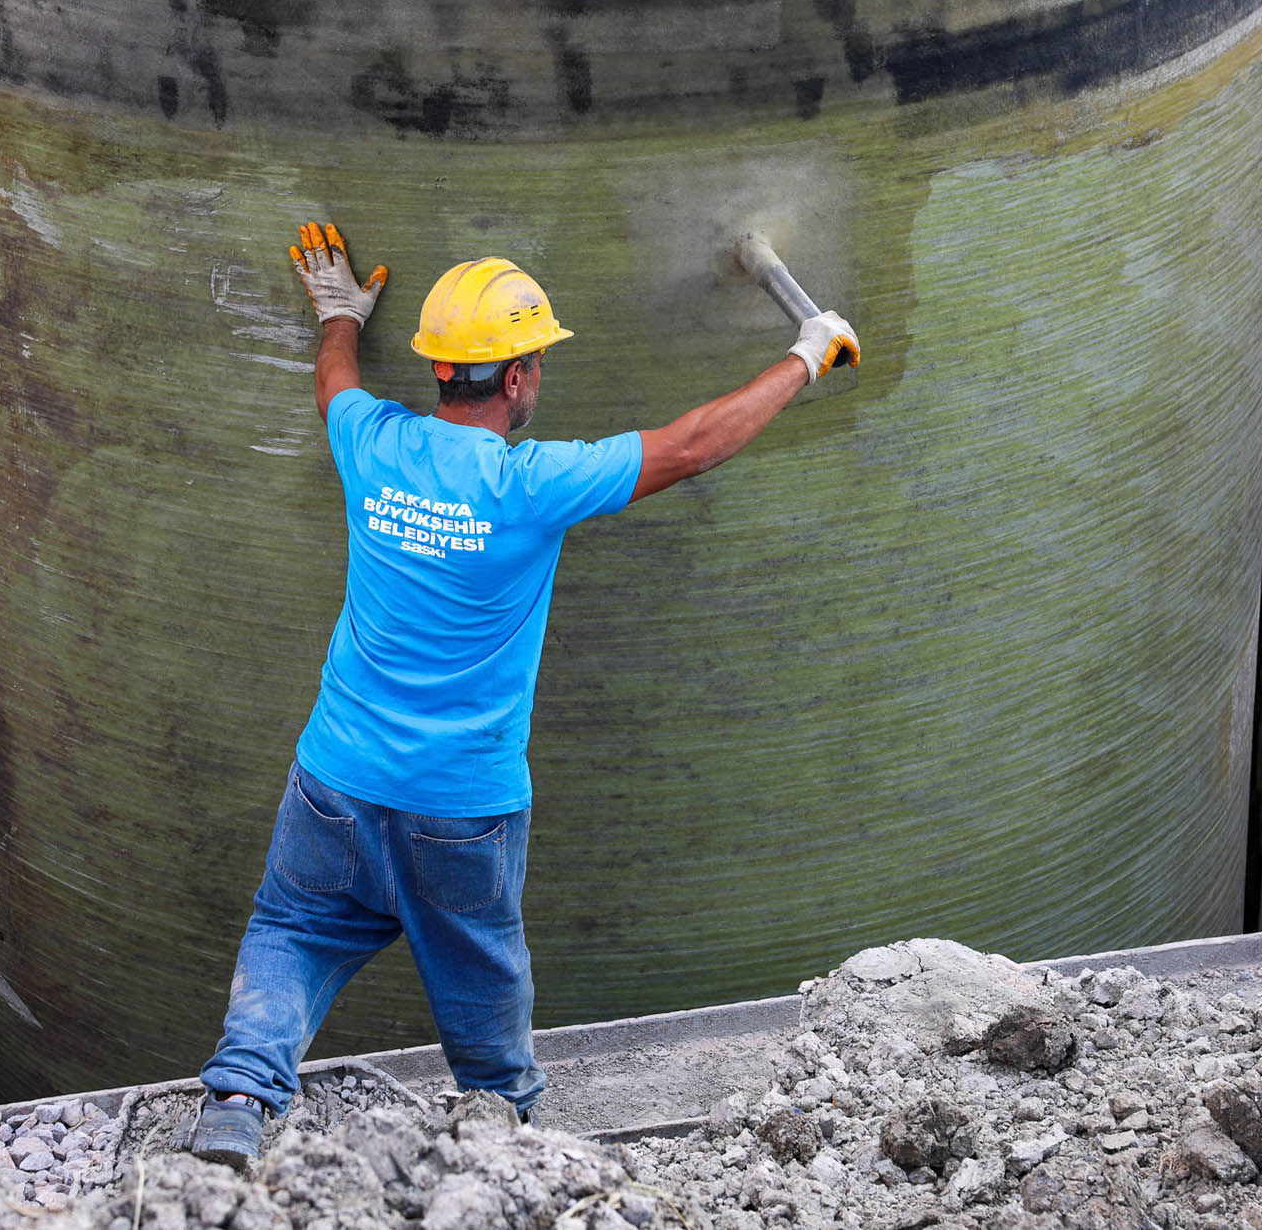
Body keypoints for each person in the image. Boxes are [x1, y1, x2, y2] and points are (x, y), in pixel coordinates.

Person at [185, 220, 859, 1168]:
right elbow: (694, 445)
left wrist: (338, 311)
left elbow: (336, 378)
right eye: (535, 359)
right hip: (459, 808)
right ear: (513, 378)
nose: (537, 375)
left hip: (333, 776)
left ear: (439, 369)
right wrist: (805, 356)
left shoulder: (370, 442)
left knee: (293, 928)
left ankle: (236, 1102)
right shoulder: (529, 483)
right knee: (483, 986)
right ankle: (506, 1143)